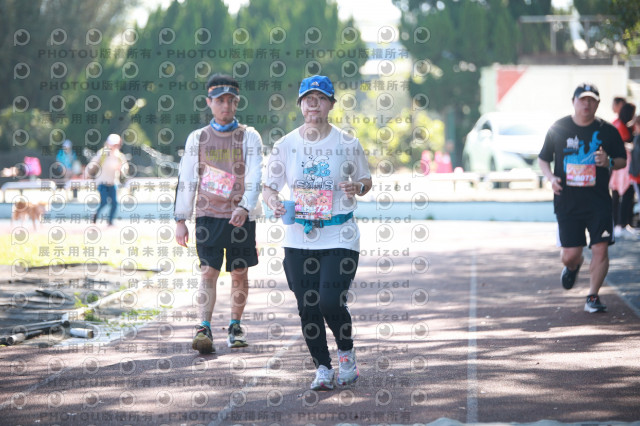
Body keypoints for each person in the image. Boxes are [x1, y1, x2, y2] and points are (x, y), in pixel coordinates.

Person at [262, 75, 372, 390]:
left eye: (321, 98)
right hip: (299, 237)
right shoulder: (285, 145)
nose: (314, 104)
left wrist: (357, 186)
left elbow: (367, 181)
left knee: (330, 301)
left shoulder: (347, 143)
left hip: (340, 234)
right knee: (307, 305)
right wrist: (274, 202)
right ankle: (322, 367)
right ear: (300, 104)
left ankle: (346, 354)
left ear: (331, 104)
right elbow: (269, 188)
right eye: (308, 98)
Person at [174, 73, 263, 354]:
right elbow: (187, 178)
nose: (226, 105)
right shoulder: (197, 138)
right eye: (220, 100)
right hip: (208, 215)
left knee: (239, 272)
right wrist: (180, 219)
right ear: (209, 102)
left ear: (237, 103)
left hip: (240, 216)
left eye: (231, 100)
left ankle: (235, 326)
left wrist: (245, 206)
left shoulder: (249, 136)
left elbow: (256, 175)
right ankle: (204, 327)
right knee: (208, 271)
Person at [538, 83, 626, 313]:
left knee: (601, 249)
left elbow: (622, 161)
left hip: (599, 202)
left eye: (591, 100)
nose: (587, 103)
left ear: (597, 104)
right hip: (568, 201)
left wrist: (608, 161)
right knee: (570, 255)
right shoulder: (558, 128)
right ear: (573, 102)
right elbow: (543, 158)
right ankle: (572, 267)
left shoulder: (608, 131)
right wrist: (551, 178)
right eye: (582, 99)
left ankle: (592, 296)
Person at [86, 134, 127, 226]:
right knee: (104, 201)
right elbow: (93, 164)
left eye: (117, 145)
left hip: (113, 183)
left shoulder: (119, 156)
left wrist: (121, 170)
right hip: (102, 182)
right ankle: (95, 215)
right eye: (113, 144)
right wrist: (87, 173)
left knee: (114, 203)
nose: (115, 147)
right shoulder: (102, 153)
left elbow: (125, 168)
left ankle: (110, 221)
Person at [610, 102, 637, 238]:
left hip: (617, 166)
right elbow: (625, 143)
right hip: (624, 166)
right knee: (625, 194)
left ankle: (619, 224)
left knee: (617, 195)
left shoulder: (616, 124)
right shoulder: (621, 126)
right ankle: (621, 224)